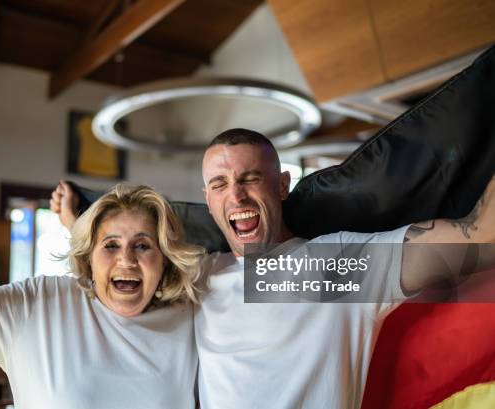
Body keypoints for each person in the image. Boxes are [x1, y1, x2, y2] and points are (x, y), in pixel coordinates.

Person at [52, 128, 494, 409]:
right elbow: (127, 262)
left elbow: (478, 236)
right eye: (220, 184)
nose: (237, 197)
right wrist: (79, 223)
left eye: (250, 179)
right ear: (208, 200)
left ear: (282, 186)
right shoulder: (200, 274)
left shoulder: (334, 265)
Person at [0, 168, 204, 409]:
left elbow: (249, 269)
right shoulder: (41, 304)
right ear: (89, 258)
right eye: (111, 245)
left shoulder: (194, 311)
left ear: (164, 260)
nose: (127, 259)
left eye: (143, 246)